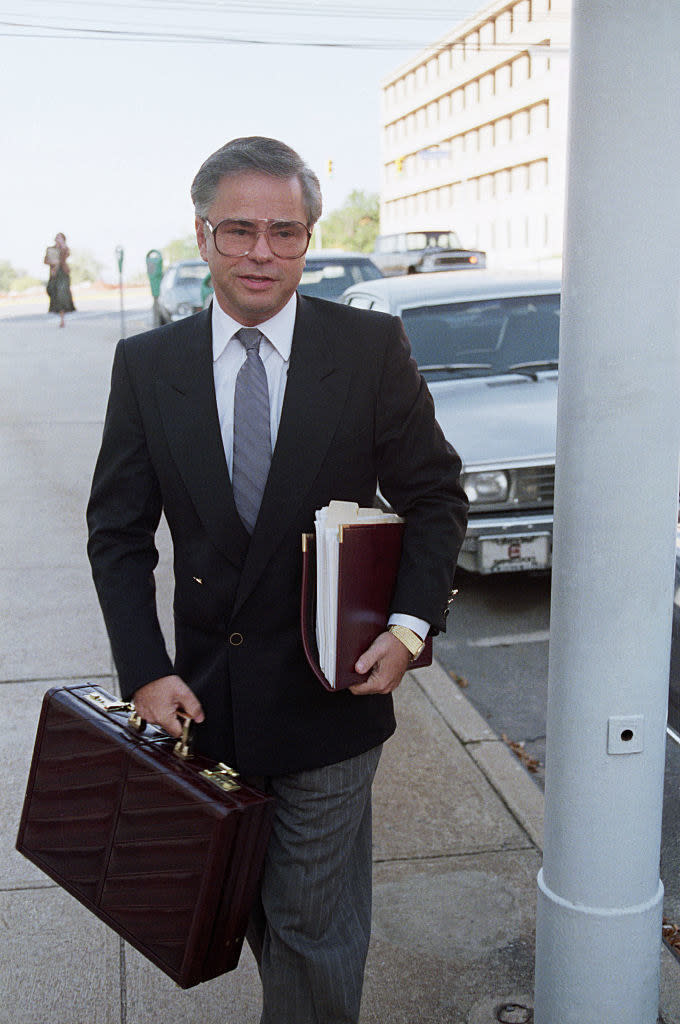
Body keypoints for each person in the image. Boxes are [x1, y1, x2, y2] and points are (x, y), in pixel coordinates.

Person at [87, 136, 468, 1024]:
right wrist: (144, 669)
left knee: (308, 922)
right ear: (202, 233)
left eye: (286, 233)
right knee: (251, 909)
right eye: (240, 231)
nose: (263, 253)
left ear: (309, 236)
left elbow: (435, 497)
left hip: (333, 692)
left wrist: (409, 628)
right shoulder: (149, 368)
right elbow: (117, 533)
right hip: (204, 701)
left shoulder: (370, 348)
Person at [44, 232, 76, 327]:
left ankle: (62, 319)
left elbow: (65, 256)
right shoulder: (51, 249)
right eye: (57, 238)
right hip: (54, 274)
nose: (58, 239)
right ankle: (57, 311)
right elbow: (45, 260)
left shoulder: (65, 249)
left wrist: (62, 247)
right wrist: (52, 262)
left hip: (62, 273)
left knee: (61, 293)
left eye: (60, 238)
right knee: (51, 290)